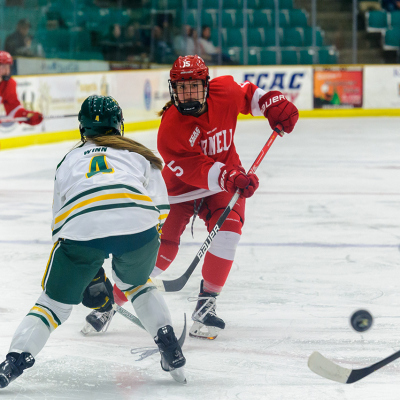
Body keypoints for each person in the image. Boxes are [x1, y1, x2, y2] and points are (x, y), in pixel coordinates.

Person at [83, 55, 299, 340]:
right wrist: (230, 177)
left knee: (229, 231)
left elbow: (251, 96)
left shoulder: (225, 91)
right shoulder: (170, 128)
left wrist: (273, 102)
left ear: (206, 85)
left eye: (194, 87)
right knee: (161, 253)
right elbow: (196, 169)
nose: (187, 94)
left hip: (223, 182)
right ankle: (110, 302)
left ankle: (206, 304)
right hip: (181, 189)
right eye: (181, 88)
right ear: (173, 90)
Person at [0, 95, 186, 389]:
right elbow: (161, 210)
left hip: (81, 229)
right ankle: (168, 343)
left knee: (53, 305)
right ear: (119, 125)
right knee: (137, 285)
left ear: (81, 128)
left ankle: (13, 362)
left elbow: (60, 223)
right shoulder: (139, 154)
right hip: (139, 226)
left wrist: (88, 270)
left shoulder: (69, 160)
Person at [0, 51, 43, 125]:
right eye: (3, 67)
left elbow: (13, 110)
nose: (7, 71)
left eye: (8, 67)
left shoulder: (9, 83)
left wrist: (27, 115)